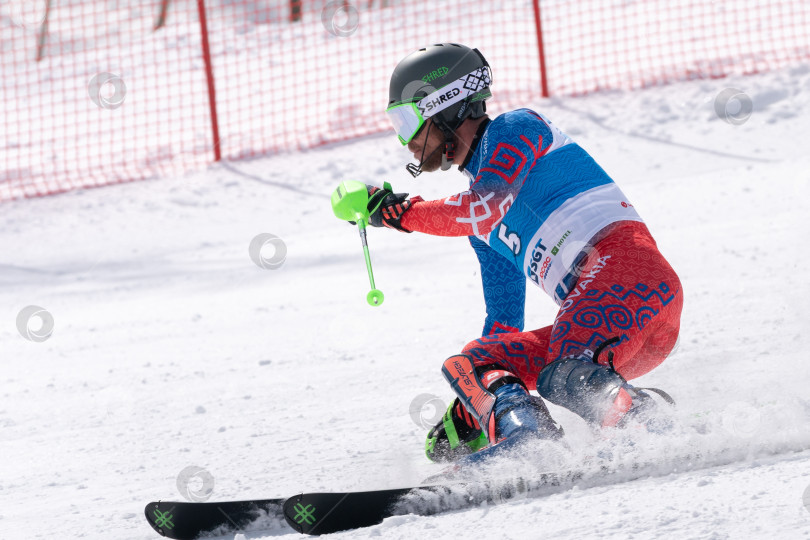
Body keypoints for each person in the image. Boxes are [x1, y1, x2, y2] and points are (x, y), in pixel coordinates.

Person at [365, 43, 683, 463]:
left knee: (565, 373)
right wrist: (478, 404)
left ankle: (654, 425)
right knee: (473, 362)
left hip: (633, 277)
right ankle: (526, 439)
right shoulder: (480, 228)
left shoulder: (516, 127)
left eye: (407, 120)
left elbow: (484, 206)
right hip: (609, 325)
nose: (405, 141)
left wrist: (401, 214)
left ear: (443, 104)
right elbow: (502, 326)